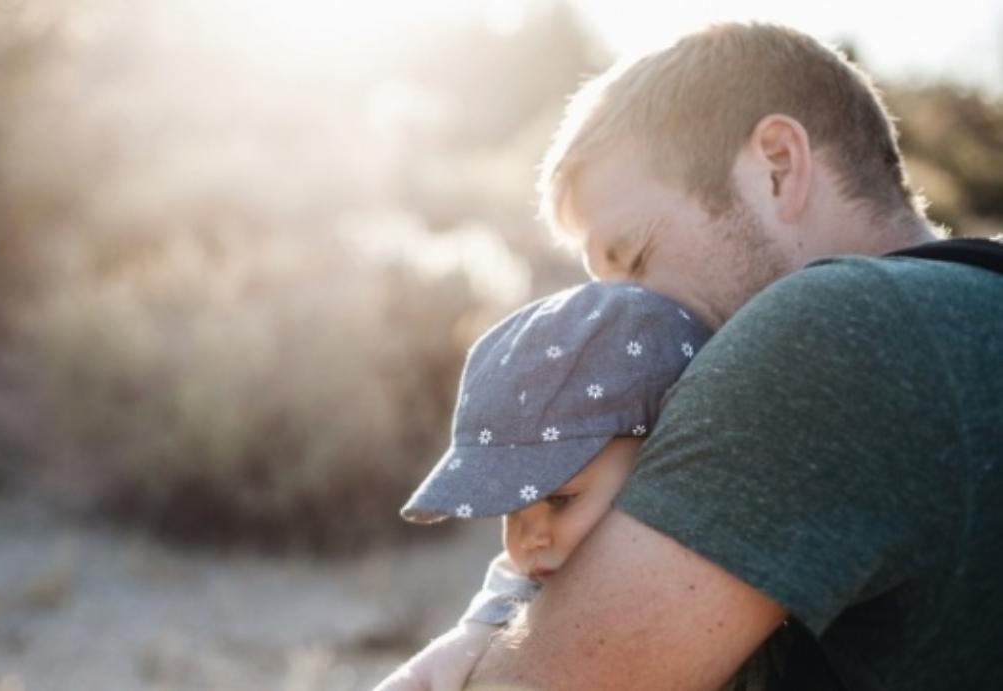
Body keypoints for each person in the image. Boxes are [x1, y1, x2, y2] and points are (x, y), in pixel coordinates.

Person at [453, 21, 1003, 690]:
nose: (622, 321)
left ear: (777, 164)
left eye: (639, 257)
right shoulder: (972, 303)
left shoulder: (825, 331)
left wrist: (482, 633)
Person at [373, 281, 711, 691]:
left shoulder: (711, 569)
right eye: (512, 508)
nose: (527, 539)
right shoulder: (537, 577)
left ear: (660, 455)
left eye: (560, 499)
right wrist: (467, 642)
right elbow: (497, 598)